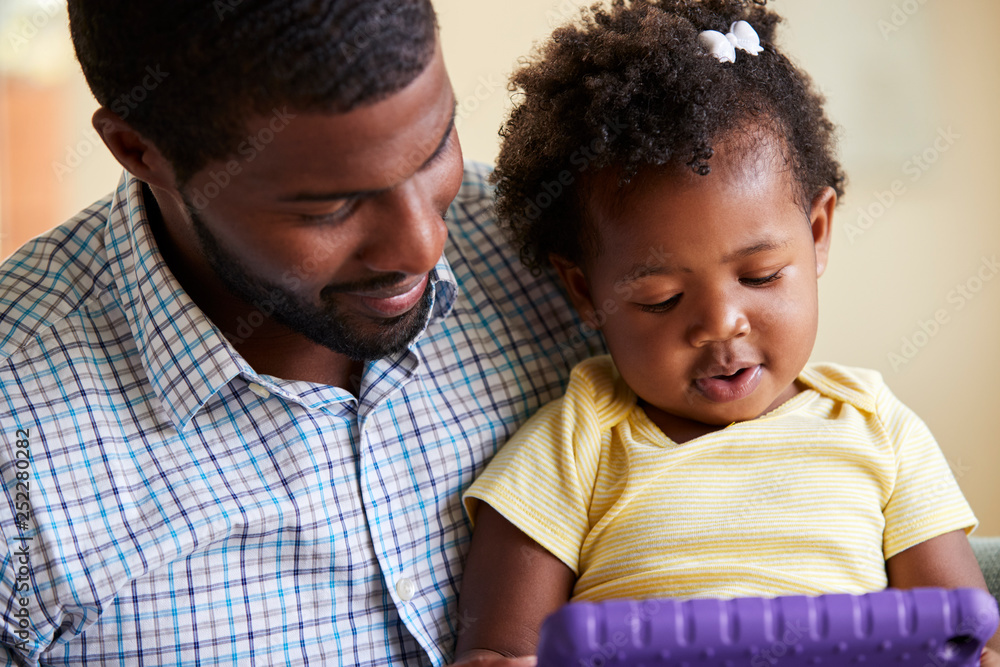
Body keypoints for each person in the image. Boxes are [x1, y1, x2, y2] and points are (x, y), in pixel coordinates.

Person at [0, 1, 601, 664]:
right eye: (331, 207)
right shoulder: (14, 441)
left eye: (435, 149)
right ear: (138, 149)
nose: (423, 245)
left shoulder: (580, 264)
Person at [454, 0, 1000, 664]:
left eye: (763, 275)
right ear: (584, 290)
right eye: (663, 298)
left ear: (819, 233)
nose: (720, 323)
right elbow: (498, 650)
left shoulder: (877, 426)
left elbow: (967, 638)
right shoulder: (577, 441)